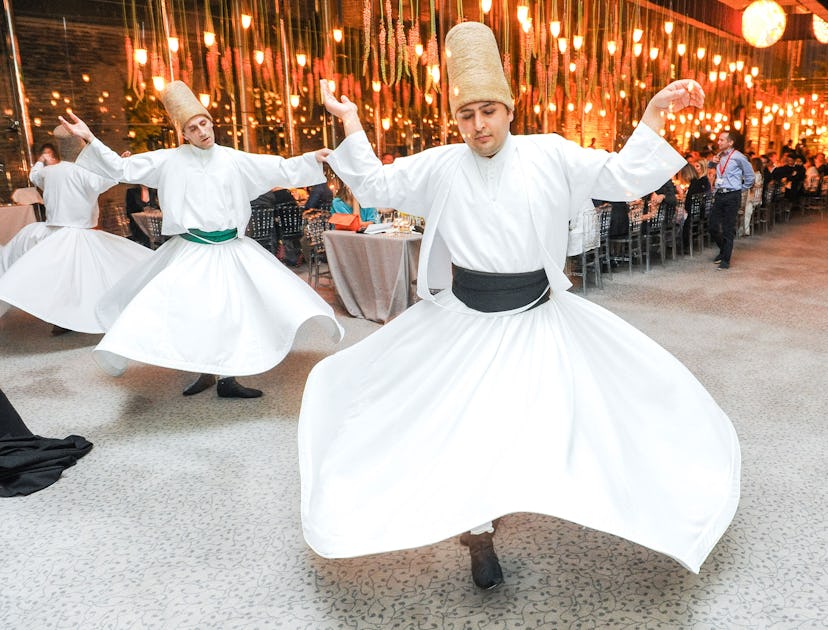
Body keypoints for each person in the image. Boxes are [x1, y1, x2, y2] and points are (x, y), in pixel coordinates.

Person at [299, 22, 740, 590]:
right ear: (455, 120)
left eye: (488, 111)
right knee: (462, 429)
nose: (479, 126)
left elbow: (619, 175)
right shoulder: (438, 164)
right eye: (466, 115)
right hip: (463, 322)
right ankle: (479, 535)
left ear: (509, 108)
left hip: (537, 316)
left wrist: (653, 112)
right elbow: (380, 188)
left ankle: (551, 493)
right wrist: (353, 123)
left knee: (583, 413)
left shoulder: (549, 154)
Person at [58, 80, 343, 398]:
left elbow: (277, 166)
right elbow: (123, 167)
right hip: (192, 249)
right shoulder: (168, 160)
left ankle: (228, 379)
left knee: (233, 312)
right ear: (184, 133)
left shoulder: (233, 158)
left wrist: (311, 159)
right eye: (194, 127)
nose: (203, 131)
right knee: (194, 312)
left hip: (231, 249)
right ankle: (205, 371)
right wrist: (90, 138)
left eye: (204, 123)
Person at [0, 130, 150, 335]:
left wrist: (40, 162)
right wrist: (121, 163)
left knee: (60, 280)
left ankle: (61, 319)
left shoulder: (48, 172)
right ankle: (78, 317)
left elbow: (34, 176)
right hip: (78, 236)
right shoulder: (85, 173)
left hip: (50, 234)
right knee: (87, 279)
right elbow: (110, 179)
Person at [708, 130, 754, 270]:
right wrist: (711, 163)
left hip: (732, 195)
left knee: (728, 227)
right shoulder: (719, 156)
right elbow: (710, 169)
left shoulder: (739, 157)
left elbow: (750, 176)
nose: (718, 142)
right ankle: (723, 249)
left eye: (722, 140)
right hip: (720, 194)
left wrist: (740, 188)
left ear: (730, 142)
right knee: (712, 226)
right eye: (719, 139)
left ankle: (726, 259)